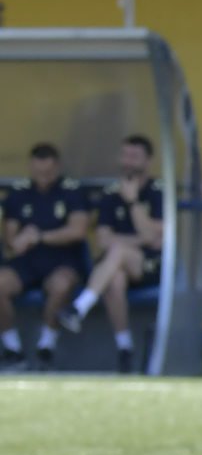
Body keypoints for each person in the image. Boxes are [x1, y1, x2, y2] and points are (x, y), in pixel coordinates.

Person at [68, 134, 164, 371]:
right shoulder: (111, 194)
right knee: (115, 279)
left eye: (135, 156)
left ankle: (81, 306)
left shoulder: (158, 192)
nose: (128, 161)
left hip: (149, 265)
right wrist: (140, 238)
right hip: (115, 267)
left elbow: (156, 239)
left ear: (148, 161)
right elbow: (102, 239)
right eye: (125, 155)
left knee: (118, 250)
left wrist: (132, 203)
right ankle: (125, 349)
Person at [1, 143, 90, 371]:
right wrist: (18, 241)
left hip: (61, 261)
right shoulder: (19, 193)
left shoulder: (72, 191)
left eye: (48, 173)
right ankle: (12, 349)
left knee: (61, 285)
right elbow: (11, 241)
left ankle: (46, 346)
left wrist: (39, 236)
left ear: (57, 167)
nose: (43, 177)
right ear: (31, 167)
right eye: (38, 172)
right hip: (26, 264)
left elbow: (78, 230)